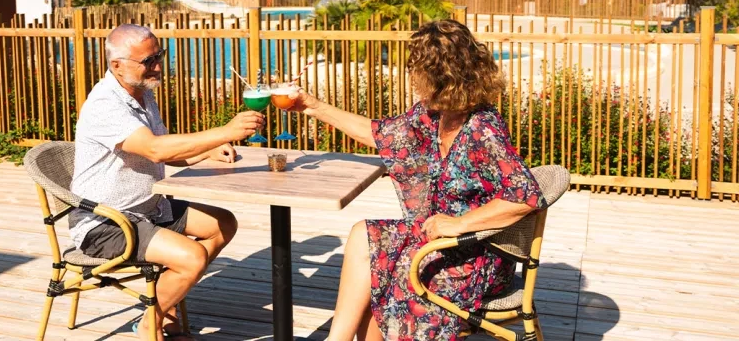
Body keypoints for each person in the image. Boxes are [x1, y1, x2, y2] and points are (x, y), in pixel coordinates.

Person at [286, 20, 549, 340]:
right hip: (435, 240)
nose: (413, 77)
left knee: (386, 277)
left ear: (440, 76)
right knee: (363, 238)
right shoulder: (435, 114)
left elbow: (524, 196)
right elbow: (378, 134)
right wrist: (312, 106)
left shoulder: (482, 128)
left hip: (476, 255)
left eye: (417, 69)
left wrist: (459, 223)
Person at [69, 24, 265, 340]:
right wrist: (225, 132)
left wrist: (207, 151)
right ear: (117, 65)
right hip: (106, 222)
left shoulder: (143, 94)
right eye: (148, 61)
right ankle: (151, 325)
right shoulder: (105, 104)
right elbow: (155, 149)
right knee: (193, 257)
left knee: (223, 224)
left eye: (159, 56)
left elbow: (164, 151)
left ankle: (164, 309)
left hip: (149, 209)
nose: (158, 67)